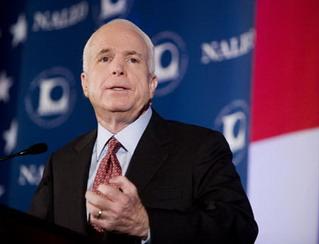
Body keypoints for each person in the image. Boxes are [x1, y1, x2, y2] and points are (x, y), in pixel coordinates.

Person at [30, 18, 258, 243]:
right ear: (85, 83)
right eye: (105, 58)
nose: (117, 69)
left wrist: (145, 224)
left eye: (132, 60)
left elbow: (239, 229)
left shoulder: (200, 148)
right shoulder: (61, 162)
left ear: (152, 84)